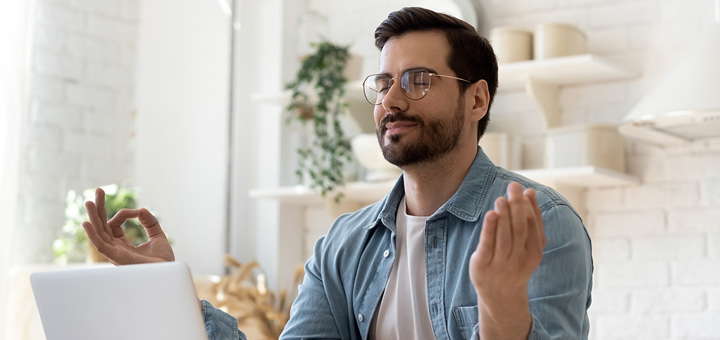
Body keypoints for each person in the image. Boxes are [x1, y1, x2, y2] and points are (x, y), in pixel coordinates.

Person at [82, 7, 592, 340]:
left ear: (476, 98)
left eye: (417, 80)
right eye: (383, 82)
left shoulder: (541, 222)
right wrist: (168, 293)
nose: (390, 100)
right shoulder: (344, 245)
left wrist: (501, 310)